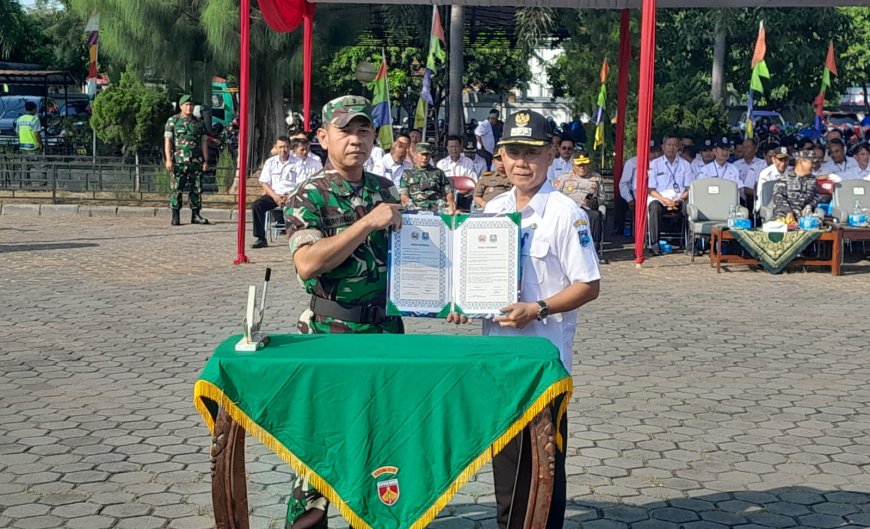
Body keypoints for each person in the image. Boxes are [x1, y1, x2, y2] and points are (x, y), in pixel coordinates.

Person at [452, 109, 600, 529]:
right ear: (500, 156)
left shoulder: (566, 214)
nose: (522, 162)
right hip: (498, 358)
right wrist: (461, 300)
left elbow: (588, 285)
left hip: (542, 362)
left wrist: (538, 308)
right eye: (513, 152)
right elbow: (475, 275)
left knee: (544, 469)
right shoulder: (493, 209)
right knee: (507, 465)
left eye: (531, 153)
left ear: (551, 154)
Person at [284, 95, 404, 337]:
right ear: (323, 137)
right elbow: (307, 264)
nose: (356, 140)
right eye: (345, 131)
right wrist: (368, 222)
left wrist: (450, 301)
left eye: (363, 131)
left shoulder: (385, 189)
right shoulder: (308, 195)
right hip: (334, 330)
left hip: (388, 329)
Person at [165, 95, 210, 226]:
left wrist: (206, 160)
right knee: (177, 188)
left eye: (191, 105)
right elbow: (168, 141)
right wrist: (168, 159)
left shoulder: (199, 123)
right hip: (179, 161)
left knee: (196, 188)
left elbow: (203, 142)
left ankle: (195, 214)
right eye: (186, 105)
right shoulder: (173, 121)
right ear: (181, 106)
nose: (189, 107)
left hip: (195, 161)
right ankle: (175, 215)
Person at [647, 134, 696, 255]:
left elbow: (689, 188)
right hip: (660, 199)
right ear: (663, 147)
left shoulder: (686, 165)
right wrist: (664, 200)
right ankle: (654, 244)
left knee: (690, 207)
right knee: (654, 207)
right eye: (669, 145)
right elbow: (651, 189)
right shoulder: (654, 164)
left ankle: (690, 245)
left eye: (674, 145)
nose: (671, 148)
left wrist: (679, 199)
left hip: (679, 199)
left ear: (679, 147)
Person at [250, 137, 299, 248]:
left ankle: (299, 236)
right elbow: (264, 182)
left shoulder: (298, 162)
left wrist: (288, 196)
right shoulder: (270, 162)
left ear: (290, 147)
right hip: (274, 194)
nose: (283, 150)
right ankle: (261, 238)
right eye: (281, 147)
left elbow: (301, 183)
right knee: (257, 205)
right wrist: (275, 197)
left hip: (292, 195)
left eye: (286, 147)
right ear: (276, 148)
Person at [553, 151, 604, 247]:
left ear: (589, 164)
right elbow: (555, 195)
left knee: (596, 216)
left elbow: (602, 197)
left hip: (587, 208)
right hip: (568, 208)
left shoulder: (596, 178)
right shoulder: (564, 178)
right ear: (573, 165)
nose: (582, 167)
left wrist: (595, 202)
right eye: (579, 165)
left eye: (585, 164)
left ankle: (594, 247)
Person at [612, 140, 662, 237]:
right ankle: (619, 229)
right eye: (650, 151)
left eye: (655, 151)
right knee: (620, 202)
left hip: (655, 194)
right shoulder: (632, 163)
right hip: (634, 194)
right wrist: (629, 199)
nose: (653, 154)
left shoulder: (660, 164)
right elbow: (623, 183)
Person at [399, 142, 455, 212]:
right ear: (416, 155)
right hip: (415, 208)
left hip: (437, 207)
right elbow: (403, 195)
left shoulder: (438, 172)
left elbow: (449, 192)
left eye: (427, 155)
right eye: (422, 154)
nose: (425, 158)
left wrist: (450, 201)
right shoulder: (407, 174)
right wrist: (409, 203)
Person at [771, 150, 820, 223]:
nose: (813, 165)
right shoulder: (784, 179)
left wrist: (809, 206)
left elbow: (816, 196)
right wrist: (788, 211)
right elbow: (778, 198)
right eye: (811, 163)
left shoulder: (812, 179)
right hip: (785, 216)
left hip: (805, 218)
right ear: (802, 162)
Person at [732, 138, 766, 211]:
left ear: (755, 149)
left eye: (748, 147)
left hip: (756, 198)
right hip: (739, 199)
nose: (745, 150)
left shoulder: (762, 164)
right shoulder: (735, 165)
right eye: (744, 147)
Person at [755, 146, 790, 213]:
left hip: (788, 204)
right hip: (769, 205)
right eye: (780, 160)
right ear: (773, 159)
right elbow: (762, 195)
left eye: (786, 160)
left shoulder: (791, 171)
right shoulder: (766, 173)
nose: (783, 163)